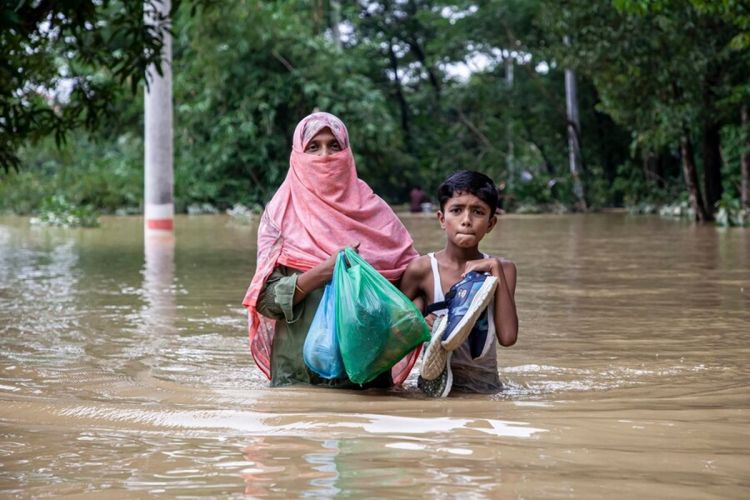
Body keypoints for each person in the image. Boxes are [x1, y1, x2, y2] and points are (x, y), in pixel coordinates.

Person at [242, 111, 420, 388]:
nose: (325, 155)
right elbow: (266, 302)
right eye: (313, 147)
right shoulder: (280, 217)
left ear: (347, 152)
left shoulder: (377, 215)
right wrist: (323, 272)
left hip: (366, 380)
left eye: (333, 145)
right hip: (299, 377)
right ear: (298, 155)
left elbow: (413, 286)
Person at [399, 170, 518, 397]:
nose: (466, 220)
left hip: (486, 389)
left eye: (478, 212)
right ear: (442, 219)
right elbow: (394, 333)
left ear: (491, 223)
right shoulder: (422, 269)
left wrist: (495, 269)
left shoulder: (504, 268)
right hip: (435, 389)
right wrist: (418, 325)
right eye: (456, 210)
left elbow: (508, 337)